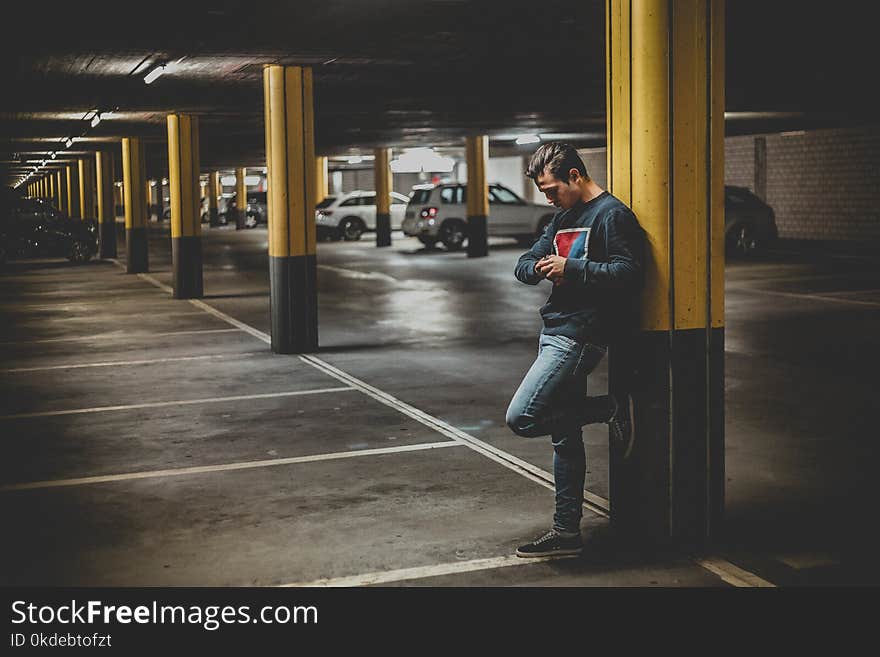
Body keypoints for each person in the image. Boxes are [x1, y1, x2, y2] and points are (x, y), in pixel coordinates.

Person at [506, 142, 645, 558]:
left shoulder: (612, 215)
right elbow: (525, 262)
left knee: (523, 417)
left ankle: (609, 409)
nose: (548, 199)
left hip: (579, 336)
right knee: (564, 438)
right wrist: (538, 267)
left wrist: (573, 268)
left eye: (551, 189)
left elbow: (629, 271)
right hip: (554, 329)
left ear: (575, 176)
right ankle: (566, 532)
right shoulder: (563, 217)